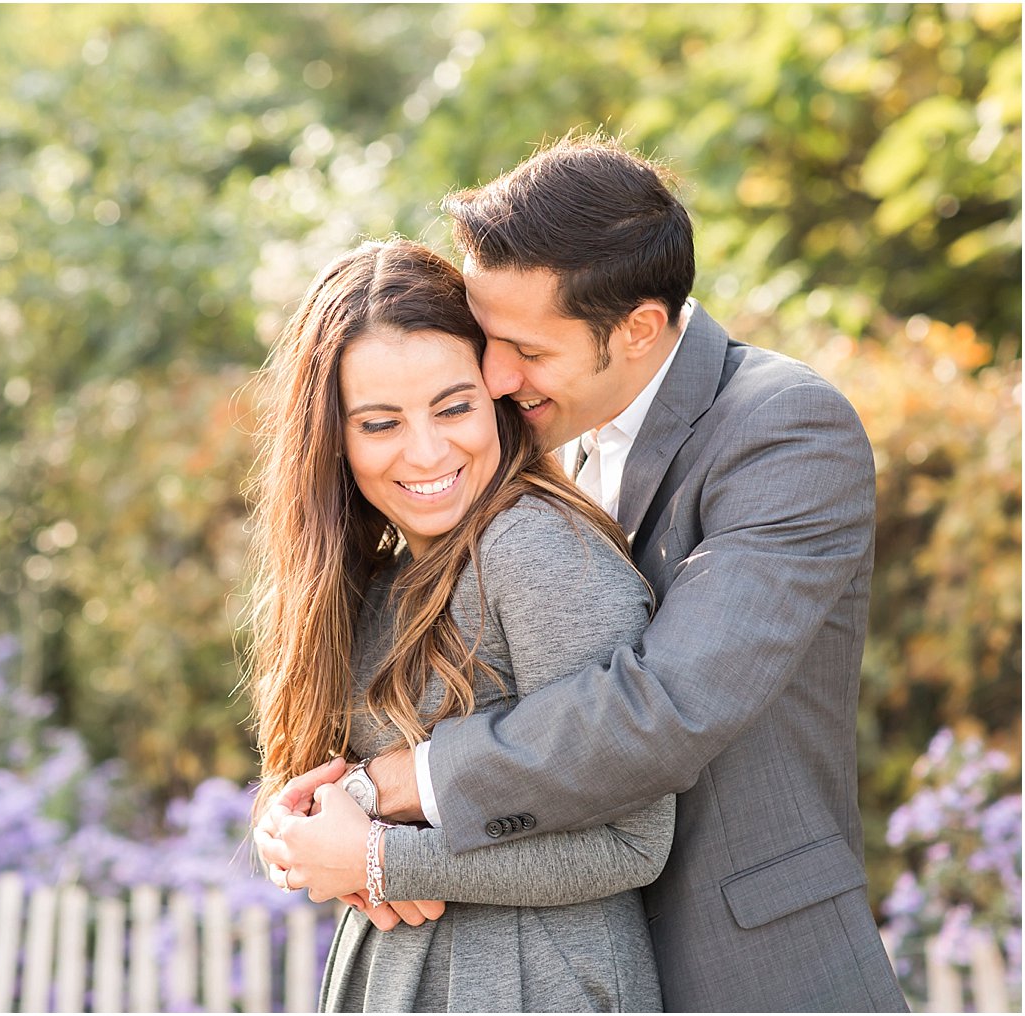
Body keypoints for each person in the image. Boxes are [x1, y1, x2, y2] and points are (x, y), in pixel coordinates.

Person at [268, 134, 908, 1012]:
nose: (493, 374)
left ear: (638, 329)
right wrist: (307, 814)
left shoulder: (784, 430)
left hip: (747, 961)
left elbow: (665, 704)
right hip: (551, 946)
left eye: (522, 348)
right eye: (486, 339)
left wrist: (392, 795)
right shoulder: (516, 439)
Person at [246, 237, 676, 1012]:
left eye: (454, 406)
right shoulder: (375, 575)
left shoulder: (534, 549)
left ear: (496, 396)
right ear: (330, 438)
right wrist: (294, 828)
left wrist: (381, 862)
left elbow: (631, 842)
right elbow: (344, 790)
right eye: (379, 424)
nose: (427, 450)